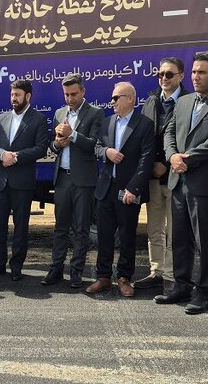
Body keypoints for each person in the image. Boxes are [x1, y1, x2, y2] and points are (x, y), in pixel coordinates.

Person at [156, 50, 208, 314]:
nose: (195, 77)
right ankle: (182, 286)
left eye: (201, 72)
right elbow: (169, 132)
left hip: (205, 185)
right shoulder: (184, 101)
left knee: (206, 242)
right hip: (178, 181)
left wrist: (186, 159)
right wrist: (172, 156)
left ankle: (203, 291)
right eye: (193, 72)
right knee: (179, 238)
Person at [86, 81, 154, 296]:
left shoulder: (144, 124)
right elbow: (97, 147)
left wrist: (134, 188)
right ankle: (103, 277)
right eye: (112, 98)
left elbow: (146, 159)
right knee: (104, 236)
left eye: (116, 98)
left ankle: (124, 278)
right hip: (106, 189)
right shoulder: (107, 122)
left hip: (128, 191)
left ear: (130, 98)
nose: (112, 102)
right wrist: (106, 152)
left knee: (127, 237)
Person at [41, 74, 104, 288]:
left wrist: (73, 134)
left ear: (83, 91)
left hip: (84, 180)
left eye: (74, 94)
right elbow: (53, 146)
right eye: (66, 95)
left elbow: (94, 145)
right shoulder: (59, 113)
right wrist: (57, 144)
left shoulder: (95, 112)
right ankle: (56, 269)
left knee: (81, 228)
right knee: (60, 227)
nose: (70, 99)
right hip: (62, 178)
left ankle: (76, 271)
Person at [134, 57, 189, 294]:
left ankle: (171, 275)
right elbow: (144, 137)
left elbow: (188, 138)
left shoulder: (189, 101)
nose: (164, 78)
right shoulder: (151, 100)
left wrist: (166, 164)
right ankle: (156, 271)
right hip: (153, 177)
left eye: (169, 74)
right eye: (160, 74)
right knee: (154, 229)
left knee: (175, 230)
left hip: (176, 176)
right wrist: (151, 165)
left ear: (181, 76)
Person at [0, 79, 48, 281]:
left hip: (22, 182)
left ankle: (16, 266)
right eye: (12, 94)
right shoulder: (1, 118)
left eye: (17, 95)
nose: (14, 98)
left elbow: (41, 148)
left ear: (28, 96)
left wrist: (17, 157)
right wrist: (1, 154)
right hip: (1, 181)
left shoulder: (38, 119)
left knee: (20, 227)